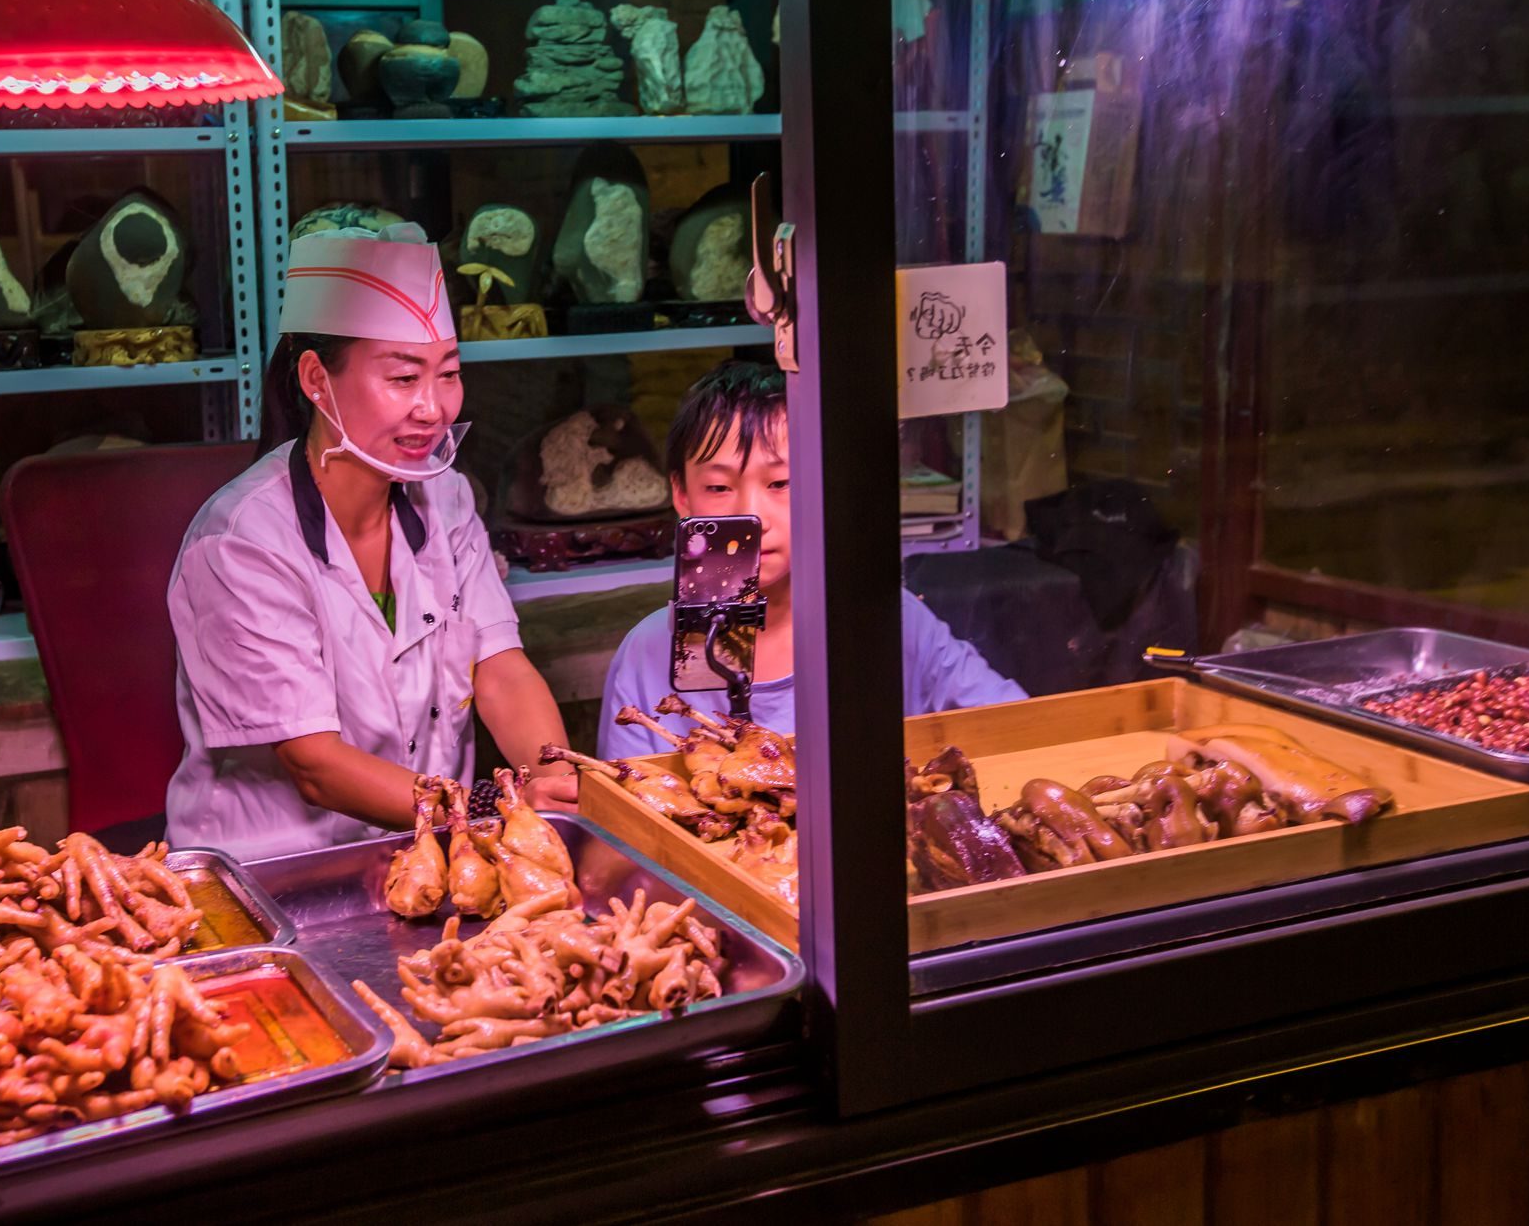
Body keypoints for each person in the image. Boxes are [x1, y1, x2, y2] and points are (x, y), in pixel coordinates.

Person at [166, 222, 575, 862]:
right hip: (277, 868)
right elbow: (316, 765)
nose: (433, 408)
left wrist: (554, 779)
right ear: (315, 379)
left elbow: (499, 670)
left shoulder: (445, 498)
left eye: (448, 374)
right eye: (403, 378)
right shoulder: (239, 544)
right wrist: (498, 809)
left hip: (436, 849)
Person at [599, 360, 1023, 759]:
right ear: (681, 495)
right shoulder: (646, 653)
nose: (754, 517)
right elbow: (625, 819)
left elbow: (1016, 727)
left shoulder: (890, 622)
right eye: (719, 487)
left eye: (780, 482)